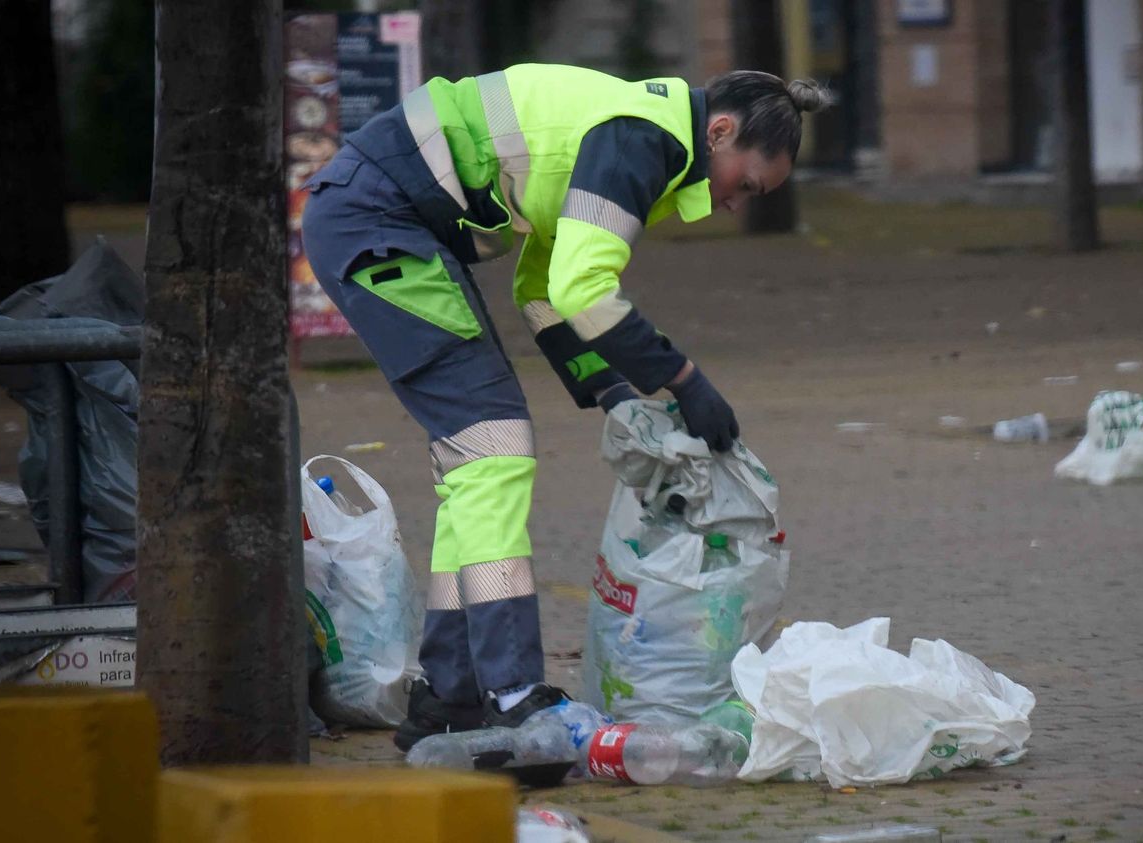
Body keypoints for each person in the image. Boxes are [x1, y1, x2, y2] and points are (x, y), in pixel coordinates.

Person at [299, 63, 828, 783]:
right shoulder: (643, 140)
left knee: (476, 459)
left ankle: (450, 694)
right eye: (747, 182)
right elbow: (583, 288)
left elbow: (545, 290)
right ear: (721, 132)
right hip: (374, 219)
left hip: (373, 215)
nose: (736, 202)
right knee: (493, 449)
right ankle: (513, 694)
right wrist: (683, 381)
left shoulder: (637, 133)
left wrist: (613, 394)